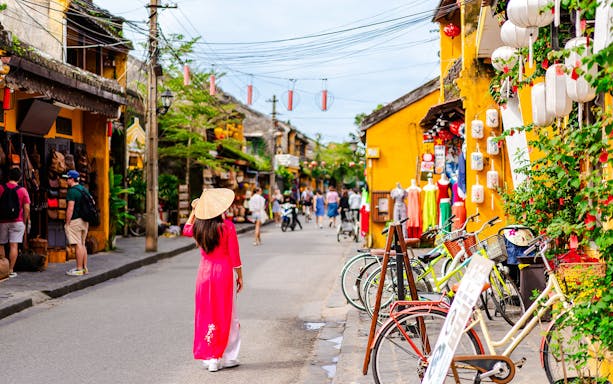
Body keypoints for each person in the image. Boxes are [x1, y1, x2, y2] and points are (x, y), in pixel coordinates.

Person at [190, 188, 243, 372]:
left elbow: (186, 229)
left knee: (207, 312)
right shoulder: (227, 226)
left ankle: (211, 356)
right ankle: (227, 356)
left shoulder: (199, 226)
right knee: (227, 313)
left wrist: (193, 211)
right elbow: (234, 255)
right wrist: (240, 276)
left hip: (204, 274)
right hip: (223, 274)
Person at [0, 167, 31, 278]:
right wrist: (24, 220)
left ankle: (2, 269)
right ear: (20, 178)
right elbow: (27, 208)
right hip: (17, 221)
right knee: (14, 245)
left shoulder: (1, 188)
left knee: (1, 244)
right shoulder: (22, 190)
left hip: (2, 221)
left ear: (8, 176)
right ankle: (10, 270)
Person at [63, 169, 90, 276]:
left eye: (67, 178)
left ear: (72, 179)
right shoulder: (84, 189)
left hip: (75, 220)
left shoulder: (72, 191)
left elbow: (70, 208)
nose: (66, 181)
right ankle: (84, 267)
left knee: (78, 244)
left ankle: (78, 268)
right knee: (83, 244)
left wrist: (67, 222)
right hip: (85, 221)